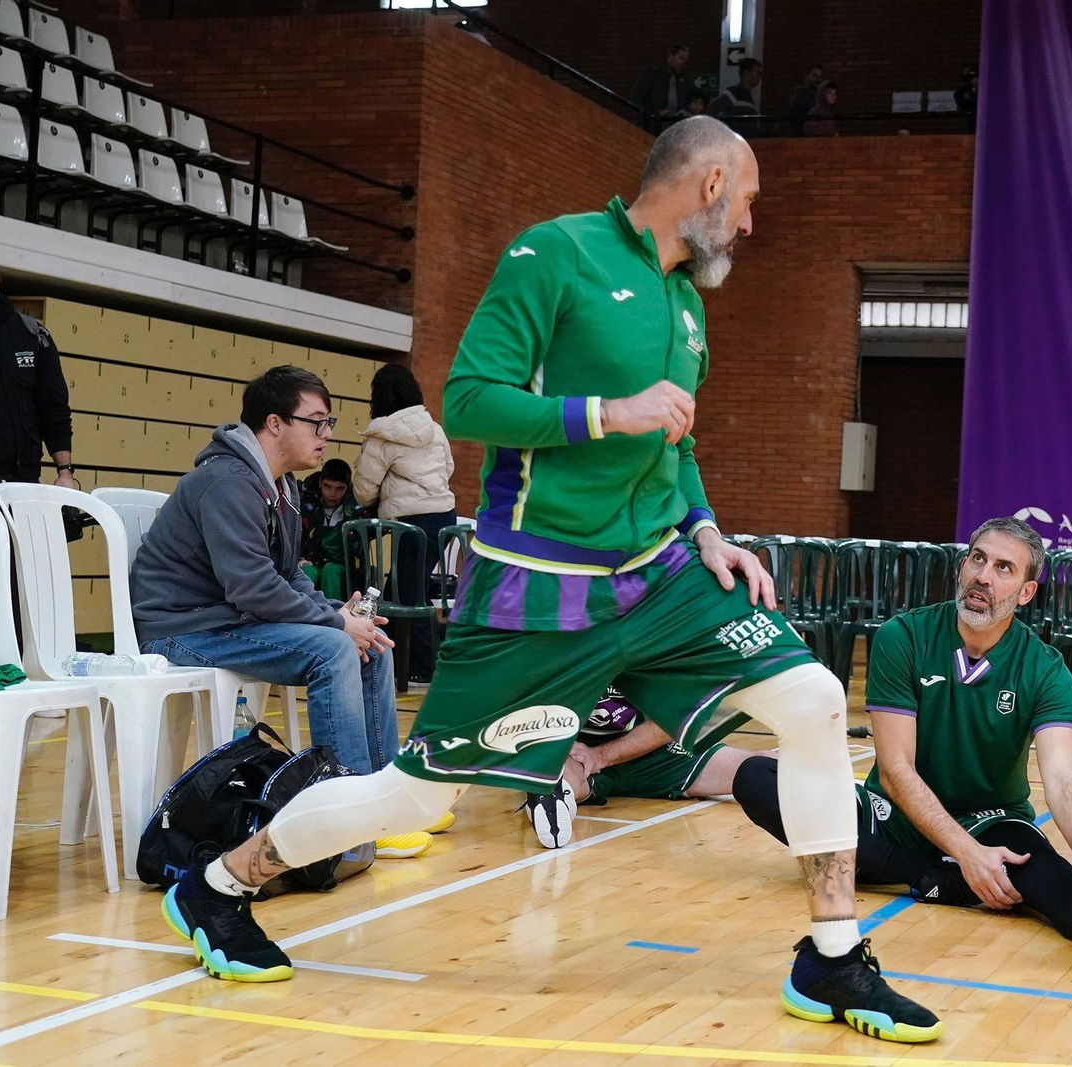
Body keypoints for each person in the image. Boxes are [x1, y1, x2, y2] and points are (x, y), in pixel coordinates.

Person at [154, 116, 943, 1046]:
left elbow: (675, 444)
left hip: (662, 575)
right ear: (713, 181)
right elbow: (470, 400)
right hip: (541, 584)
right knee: (418, 795)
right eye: (753, 203)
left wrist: (706, 528)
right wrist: (610, 412)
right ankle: (217, 885)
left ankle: (833, 956)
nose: (752, 225)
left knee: (812, 699)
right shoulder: (552, 254)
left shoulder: (688, 305)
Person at [733, 517, 1072, 982]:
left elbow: (1063, 777)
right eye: (977, 559)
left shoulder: (1045, 669)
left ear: (1026, 593)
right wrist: (964, 856)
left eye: (1004, 568)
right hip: (891, 819)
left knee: (1047, 876)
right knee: (756, 777)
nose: (983, 576)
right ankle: (930, 875)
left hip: (990, 820)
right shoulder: (903, 637)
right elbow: (894, 770)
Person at [130, 366, 444, 859]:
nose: (328, 434)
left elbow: (289, 575)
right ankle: (349, 824)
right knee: (336, 649)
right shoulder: (229, 481)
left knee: (371, 646)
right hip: (184, 628)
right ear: (274, 423)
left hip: (230, 620)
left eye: (328, 421)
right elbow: (253, 587)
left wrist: (339, 613)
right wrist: (337, 624)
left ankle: (386, 803)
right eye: (316, 422)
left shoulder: (285, 486)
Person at [0, 247, 75, 665]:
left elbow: (54, 408)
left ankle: (21, 667)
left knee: (16, 585)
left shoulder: (33, 335)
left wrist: (65, 471)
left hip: (19, 482)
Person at [523, 686, 771, 848]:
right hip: (580, 753)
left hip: (652, 749)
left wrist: (602, 755)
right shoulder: (549, 639)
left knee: (759, 767)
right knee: (559, 767)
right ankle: (549, 788)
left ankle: (552, 786)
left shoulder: (656, 630)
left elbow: (675, 719)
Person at [352, 363, 457, 685]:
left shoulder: (381, 435)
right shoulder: (434, 428)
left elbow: (363, 489)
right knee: (415, 588)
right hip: (444, 515)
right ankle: (416, 662)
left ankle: (420, 667)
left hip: (411, 521)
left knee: (408, 594)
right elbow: (449, 468)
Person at [299, 458, 365, 602]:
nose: (332, 494)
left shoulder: (355, 511)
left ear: (348, 488)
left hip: (342, 569)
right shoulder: (306, 507)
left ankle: (334, 617)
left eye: (339, 488)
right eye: (327, 486)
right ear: (319, 483)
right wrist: (300, 558)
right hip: (314, 563)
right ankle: (302, 617)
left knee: (331, 570)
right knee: (305, 571)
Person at [631, 44, 692, 126]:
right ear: (671, 55)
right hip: (652, 128)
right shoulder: (653, 75)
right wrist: (652, 116)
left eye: (685, 60)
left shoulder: (682, 83)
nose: (682, 63)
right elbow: (636, 98)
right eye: (680, 58)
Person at [785, 64, 823, 134]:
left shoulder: (819, 98)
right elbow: (796, 122)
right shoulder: (799, 97)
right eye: (814, 75)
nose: (818, 79)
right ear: (806, 77)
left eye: (820, 76)